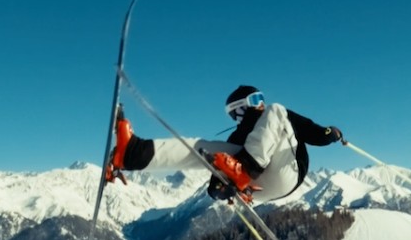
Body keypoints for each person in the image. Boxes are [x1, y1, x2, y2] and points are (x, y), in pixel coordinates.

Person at [106, 85, 343, 203]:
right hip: (257, 186)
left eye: (260, 98)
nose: (261, 104)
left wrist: (330, 133)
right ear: (239, 109)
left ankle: (246, 168)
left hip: (287, 173)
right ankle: (133, 153)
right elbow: (214, 184)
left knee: (276, 111)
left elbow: (316, 134)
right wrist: (220, 190)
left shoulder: (276, 119)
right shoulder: (239, 137)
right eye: (255, 100)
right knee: (204, 148)